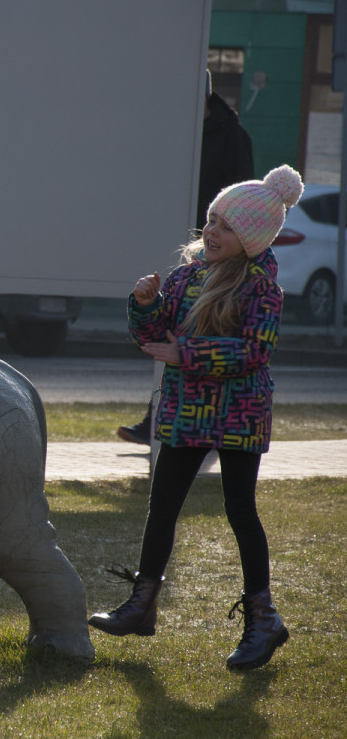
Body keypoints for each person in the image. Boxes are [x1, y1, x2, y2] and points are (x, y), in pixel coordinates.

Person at [89, 165, 303, 671]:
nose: (211, 232)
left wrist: (189, 354)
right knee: (161, 507)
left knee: (239, 510)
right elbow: (153, 337)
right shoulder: (186, 277)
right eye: (211, 220)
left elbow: (254, 350)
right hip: (188, 411)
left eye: (226, 227)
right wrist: (144, 305)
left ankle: (263, 619)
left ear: (249, 238)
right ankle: (142, 606)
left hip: (239, 414)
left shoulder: (261, 288)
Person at [118, 71, 255, 444]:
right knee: (176, 332)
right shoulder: (177, 131)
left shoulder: (231, 138)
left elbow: (244, 203)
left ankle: (192, 424)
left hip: (220, 261)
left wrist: (219, 236)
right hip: (193, 252)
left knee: (199, 337)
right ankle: (160, 418)